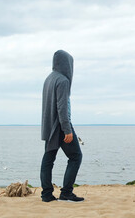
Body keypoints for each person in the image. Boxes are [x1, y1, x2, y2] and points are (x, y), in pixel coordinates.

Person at [40, 50, 84, 202]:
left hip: (49, 126)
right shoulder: (63, 81)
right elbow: (62, 107)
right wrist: (67, 129)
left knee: (48, 159)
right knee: (76, 157)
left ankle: (46, 194)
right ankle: (66, 192)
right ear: (67, 65)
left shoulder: (49, 79)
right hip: (60, 126)